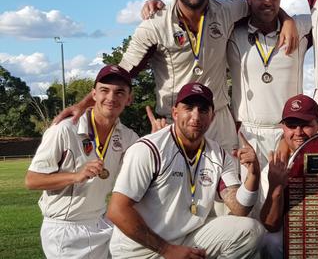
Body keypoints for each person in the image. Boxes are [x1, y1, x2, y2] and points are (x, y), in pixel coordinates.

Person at [54, 0, 298, 153]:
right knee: (176, 202)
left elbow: (264, 4)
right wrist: (85, 103)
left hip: (217, 119)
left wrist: (287, 20)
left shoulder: (227, 9)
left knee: (227, 198)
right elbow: (123, 72)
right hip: (175, 120)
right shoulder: (154, 24)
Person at [106, 82, 264, 258]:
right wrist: (167, 250)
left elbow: (239, 209)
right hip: (139, 250)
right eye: (188, 108)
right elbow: (116, 210)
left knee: (250, 231)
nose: (195, 116)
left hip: (183, 239)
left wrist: (254, 175)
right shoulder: (149, 149)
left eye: (203, 110)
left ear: (212, 117)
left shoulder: (219, 154)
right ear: (175, 112)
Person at [25, 65, 139, 259]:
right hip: (65, 229)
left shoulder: (129, 137)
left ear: (129, 99)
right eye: (104, 90)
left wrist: (156, 138)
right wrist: (76, 176)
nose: (111, 98)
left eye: (120, 92)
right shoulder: (64, 130)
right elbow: (32, 180)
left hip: (102, 222)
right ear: (94, 94)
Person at [227, 0, 312, 171]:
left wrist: (288, 20)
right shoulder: (232, 31)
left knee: (288, 199)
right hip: (247, 134)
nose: (267, 2)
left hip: (289, 133)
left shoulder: (299, 27)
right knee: (250, 198)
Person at [256, 94, 318, 259]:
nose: (298, 132)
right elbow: (271, 226)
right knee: (270, 242)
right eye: (292, 126)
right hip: (296, 230)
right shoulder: (274, 168)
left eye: (306, 125)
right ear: (283, 128)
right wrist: (276, 188)